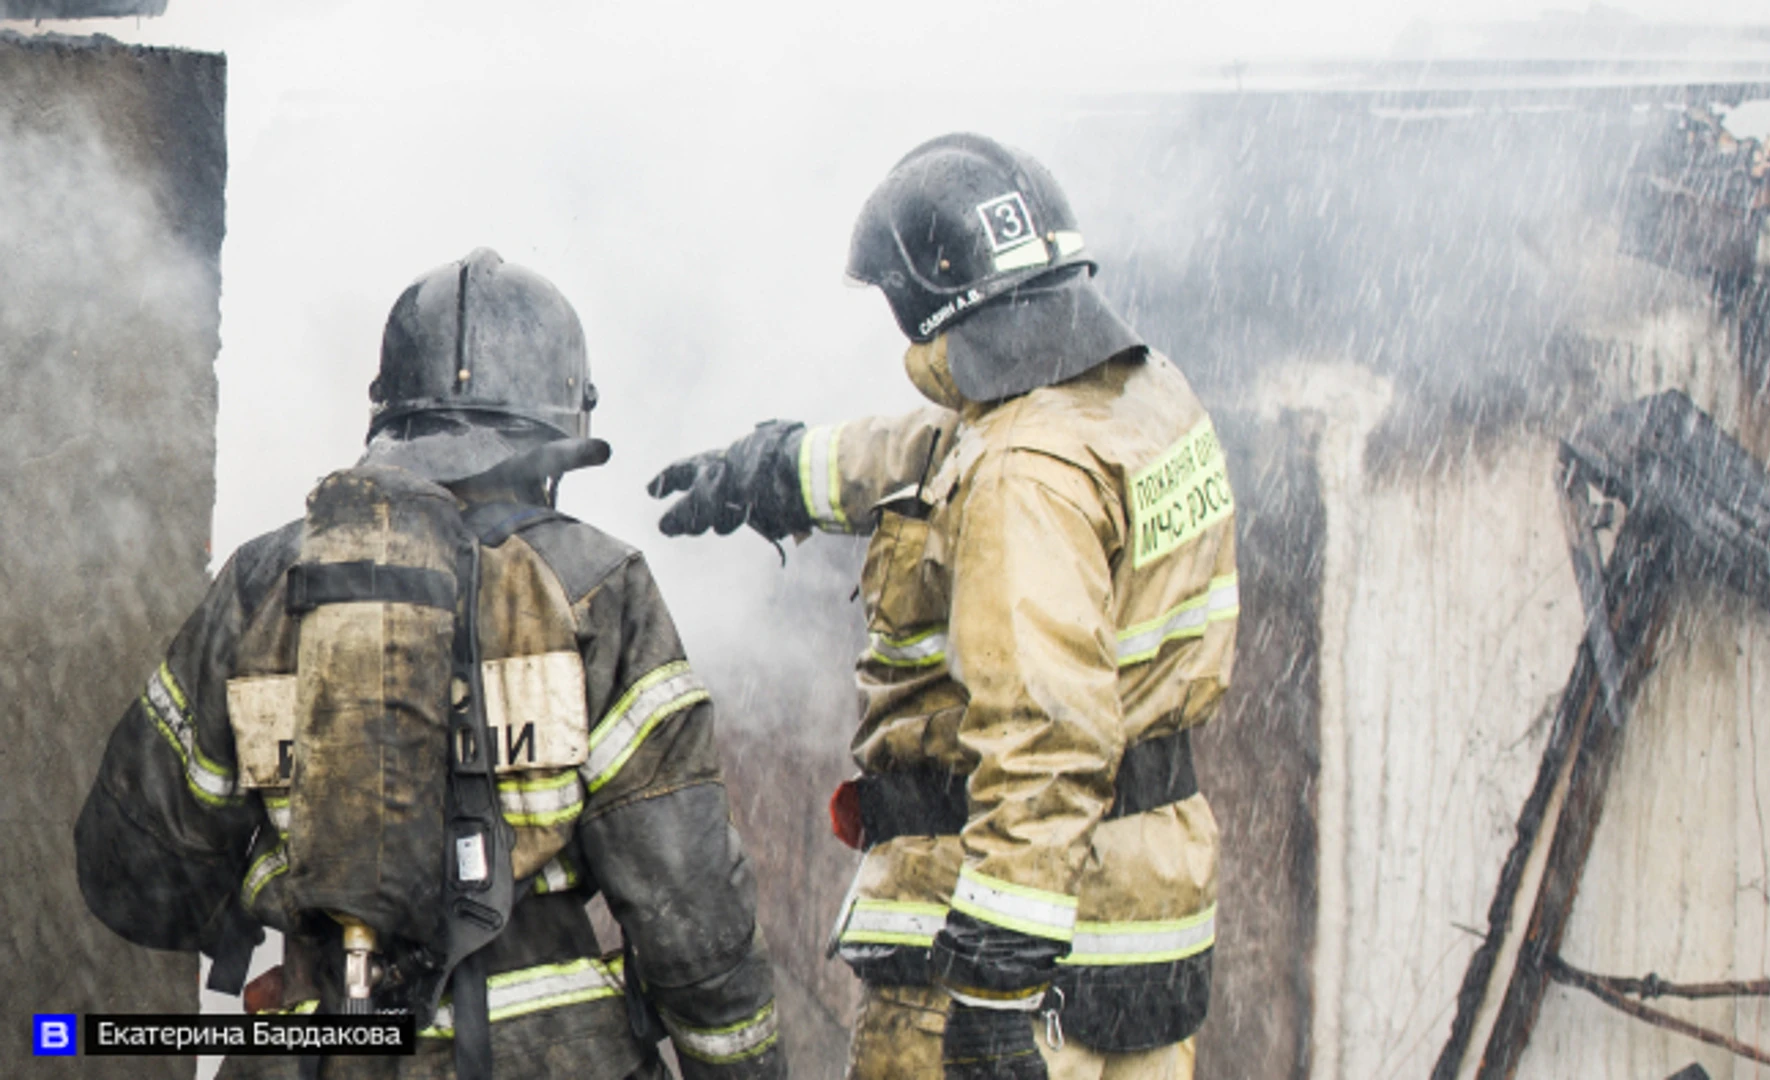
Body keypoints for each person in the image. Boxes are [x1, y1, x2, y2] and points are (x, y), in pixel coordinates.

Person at [74, 249, 787, 1080]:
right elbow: (688, 903)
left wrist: (287, 924)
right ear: (558, 436)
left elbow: (133, 866)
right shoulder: (596, 588)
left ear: (389, 414)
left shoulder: (262, 585)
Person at [647, 134, 1237, 1080]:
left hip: (1013, 963)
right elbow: (951, 451)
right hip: (1132, 932)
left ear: (922, 299)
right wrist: (780, 471)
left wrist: (996, 996)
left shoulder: (1023, 479)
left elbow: (1047, 739)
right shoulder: (1138, 400)